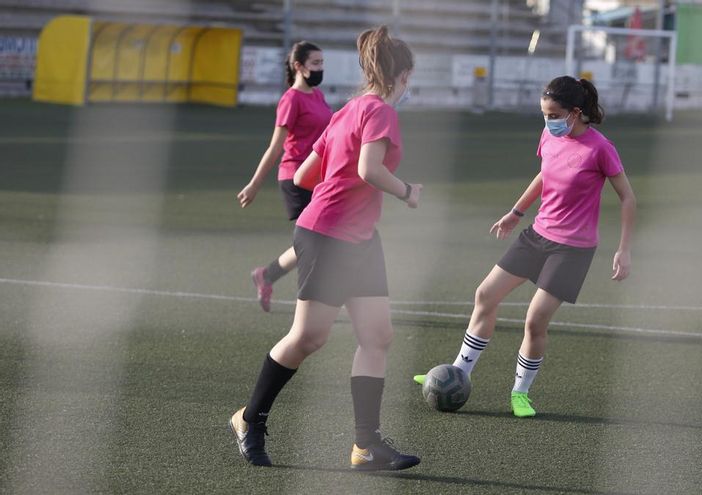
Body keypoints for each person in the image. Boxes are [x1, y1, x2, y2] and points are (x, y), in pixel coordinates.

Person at [230, 26, 423, 470]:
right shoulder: (379, 112)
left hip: (357, 238)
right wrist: (407, 190)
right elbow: (370, 169)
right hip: (328, 236)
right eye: (410, 78)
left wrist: (342, 184)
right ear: (404, 76)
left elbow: (304, 177)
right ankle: (249, 419)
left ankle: (365, 445)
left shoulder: (347, 110)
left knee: (377, 336)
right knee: (308, 337)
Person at [415, 76, 636, 418]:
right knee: (485, 295)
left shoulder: (600, 149)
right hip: (537, 235)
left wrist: (624, 249)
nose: (548, 121)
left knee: (535, 320)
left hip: (572, 249)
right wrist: (516, 212)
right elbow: (545, 174)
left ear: (575, 113)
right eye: (544, 114)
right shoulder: (549, 134)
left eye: (554, 114)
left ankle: (520, 393)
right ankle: (458, 373)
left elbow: (627, 198)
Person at [237, 41, 332, 312]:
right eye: (315, 64)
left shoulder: (318, 95)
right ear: (298, 66)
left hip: (319, 178)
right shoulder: (291, 99)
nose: (320, 69)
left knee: (317, 242)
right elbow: (276, 146)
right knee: (317, 243)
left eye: (322, 63)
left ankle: (267, 276)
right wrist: (254, 184)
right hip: (296, 179)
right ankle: (311, 307)